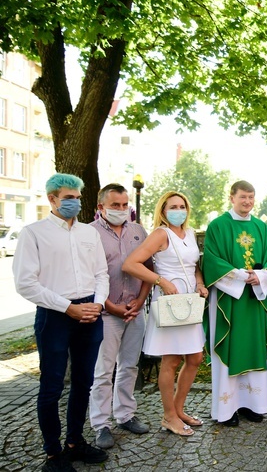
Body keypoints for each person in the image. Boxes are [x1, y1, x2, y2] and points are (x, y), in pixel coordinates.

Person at [13, 173, 109, 471]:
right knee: (52, 385)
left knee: (84, 382)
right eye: (68, 198)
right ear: (52, 199)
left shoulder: (89, 233)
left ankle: (75, 441)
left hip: (90, 312)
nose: (75, 203)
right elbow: (25, 283)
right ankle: (54, 453)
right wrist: (67, 308)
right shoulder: (34, 233)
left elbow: (101, 274)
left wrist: (99, 303)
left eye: (78, 198)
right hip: (55, 315)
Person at [122, 191, 208, 437]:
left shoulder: (189, 234)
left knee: (195, 359)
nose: (178, 210)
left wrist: (200, 284)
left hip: (189, 303)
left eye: (182, 206)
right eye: (173, 206)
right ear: (163, 210)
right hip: (170, 303)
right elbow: (131, 264)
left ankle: (179, 410)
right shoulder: (161, 234)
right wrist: (161, 281)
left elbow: (195, 268)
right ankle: (169, 416)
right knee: (170, 361)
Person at [202, 181, 267, 426]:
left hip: (254, 298)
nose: (247, 202)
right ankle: (227, 408)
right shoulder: (218, 226)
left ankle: (252, 405)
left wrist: (262, 275)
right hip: (229, 299)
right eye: (243, 197)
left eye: (251, 197)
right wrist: (242, 276)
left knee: (253, 347)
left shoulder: (261, 227)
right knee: (230, 348)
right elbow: (211, 261)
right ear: (232, 197)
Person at [88, 184, 152, 449]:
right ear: (100, 207)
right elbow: (87, 277)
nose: (122, 210)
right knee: (103, 372)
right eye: (115, 205)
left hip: (135, 311)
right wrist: (110, 306)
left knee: (129, 366)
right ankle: (100, 424)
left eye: (125, 205)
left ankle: (125, 414)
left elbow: (149, 269)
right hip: (106, 314)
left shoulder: (138, 231)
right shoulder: (89, 234)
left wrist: (139, 301)